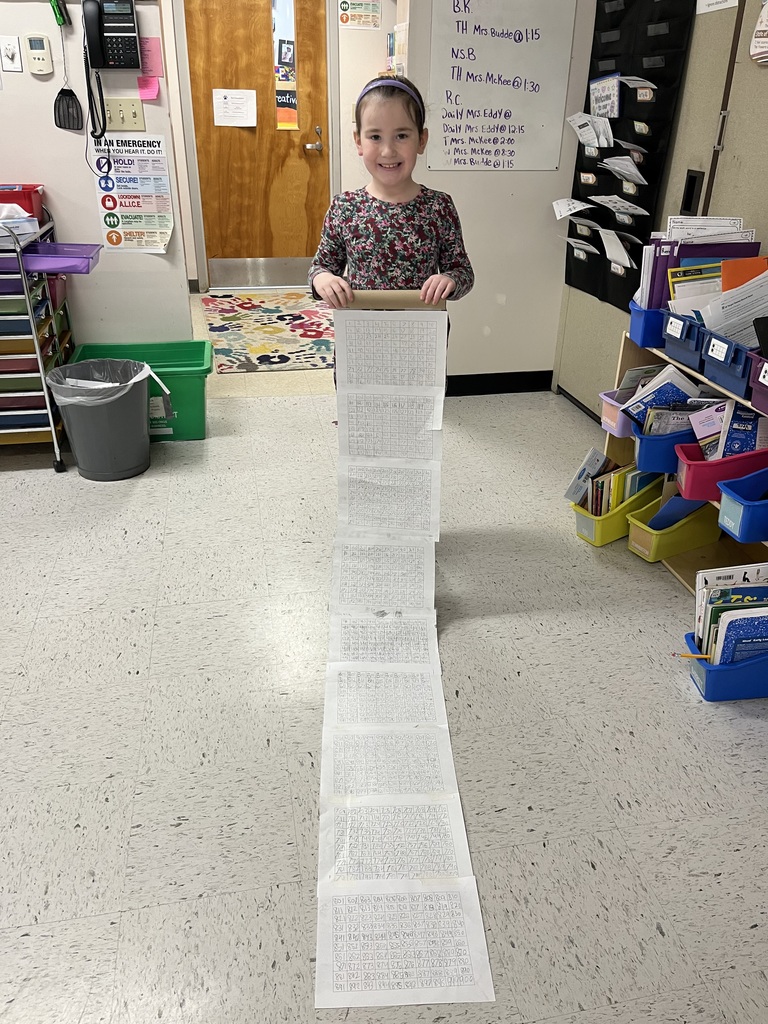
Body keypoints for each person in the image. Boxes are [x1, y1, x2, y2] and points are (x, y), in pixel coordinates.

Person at [308, 75, 474, 308]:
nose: (387, 151)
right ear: (358, 141)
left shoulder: (438, 207)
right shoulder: (344, 208)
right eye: (375, 137)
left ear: (421, 140)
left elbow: (463, 271)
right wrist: (322, 279)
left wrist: (450, 279)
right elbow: (320, 267)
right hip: (359, 335)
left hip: (421, 335)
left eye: (402, 136)